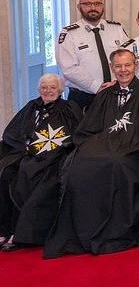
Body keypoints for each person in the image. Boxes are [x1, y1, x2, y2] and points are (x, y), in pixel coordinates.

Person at [44, 49, 139, 258]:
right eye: (118, 66)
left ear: (136, 66)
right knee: (80, 163)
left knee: (117, 163)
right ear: (112, 68)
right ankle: (83, 232)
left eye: (127, 65)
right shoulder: (104, 94)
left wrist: (124, 145)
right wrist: (101, 145)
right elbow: (89, 128)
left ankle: (115, 232)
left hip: (133, 151)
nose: (123, 70)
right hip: (103, 147)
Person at [0, 75, 82, 252]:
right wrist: (24, 145)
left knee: (27, 171)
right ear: (39, 89)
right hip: (25, 152)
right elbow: (12, 131)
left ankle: (20, 233)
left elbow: (75, 135)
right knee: (5, 171)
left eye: (52, 87)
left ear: (59, 90)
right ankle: (4, 229)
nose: (48, 91)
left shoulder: (68, 108)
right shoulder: (31, 106)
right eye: (44, 87)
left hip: (54, 157)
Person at [56, 0, 129, 109]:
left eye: (97, 4)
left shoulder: (117, 29)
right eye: (87, 4)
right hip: (83, 98)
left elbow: (128, 59)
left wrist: (118, 82)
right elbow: (69, 68)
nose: (93, 8)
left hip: (117, 92)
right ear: (79, 7)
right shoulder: (69, 34)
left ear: (103, 6)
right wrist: (97, 86)